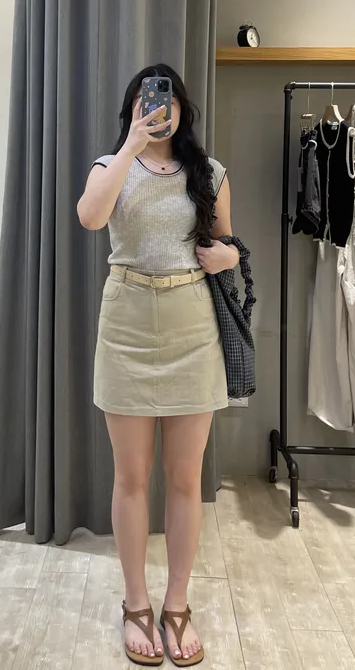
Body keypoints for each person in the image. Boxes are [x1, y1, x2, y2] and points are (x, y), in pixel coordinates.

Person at [77, 64, 238, 667]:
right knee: (131, 477)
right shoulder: (110, 165)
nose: (157, 108)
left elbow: (228, 243)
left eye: (166, 99)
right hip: (126, 319)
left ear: (182, 108)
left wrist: (226, 257)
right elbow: (91, 217)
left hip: (191, 320)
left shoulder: (209, 173)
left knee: (184, 477)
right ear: (132, 107)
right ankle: (136, 603)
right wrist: (130, 147)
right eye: (146, 100)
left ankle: (177, 603)